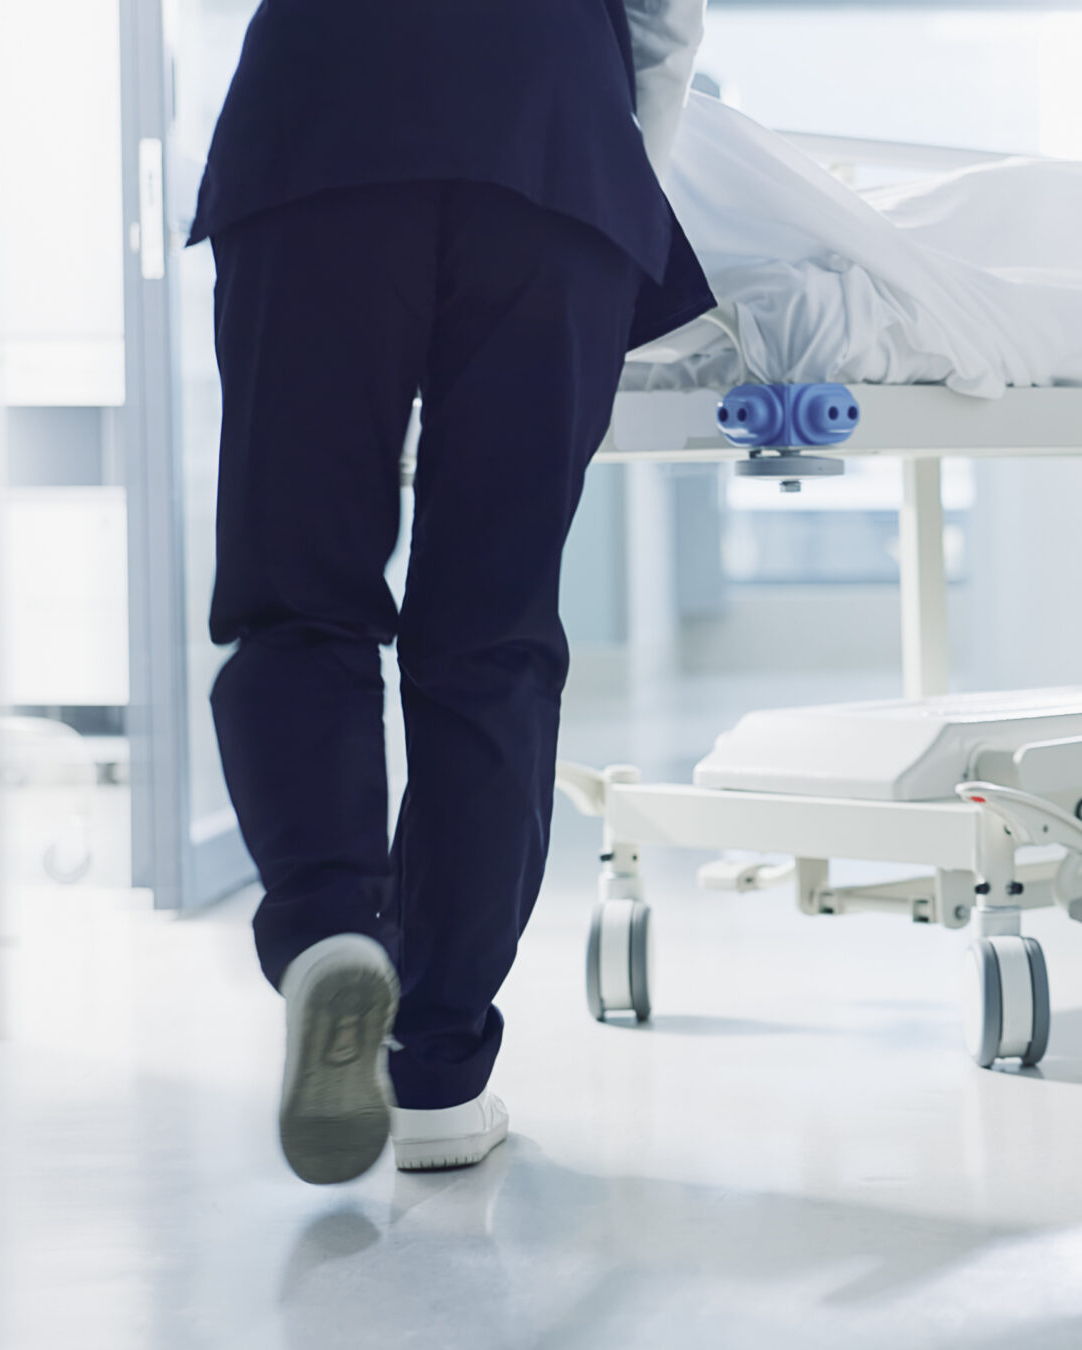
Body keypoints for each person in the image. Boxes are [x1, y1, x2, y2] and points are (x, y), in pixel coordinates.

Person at [186, 0, 715, 1185]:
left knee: (298, 594)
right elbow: (664, 23)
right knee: (494, 631)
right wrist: (611, 181)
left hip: (318, 134)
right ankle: (438, 1070)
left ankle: (330, 926)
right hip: (554, 158)